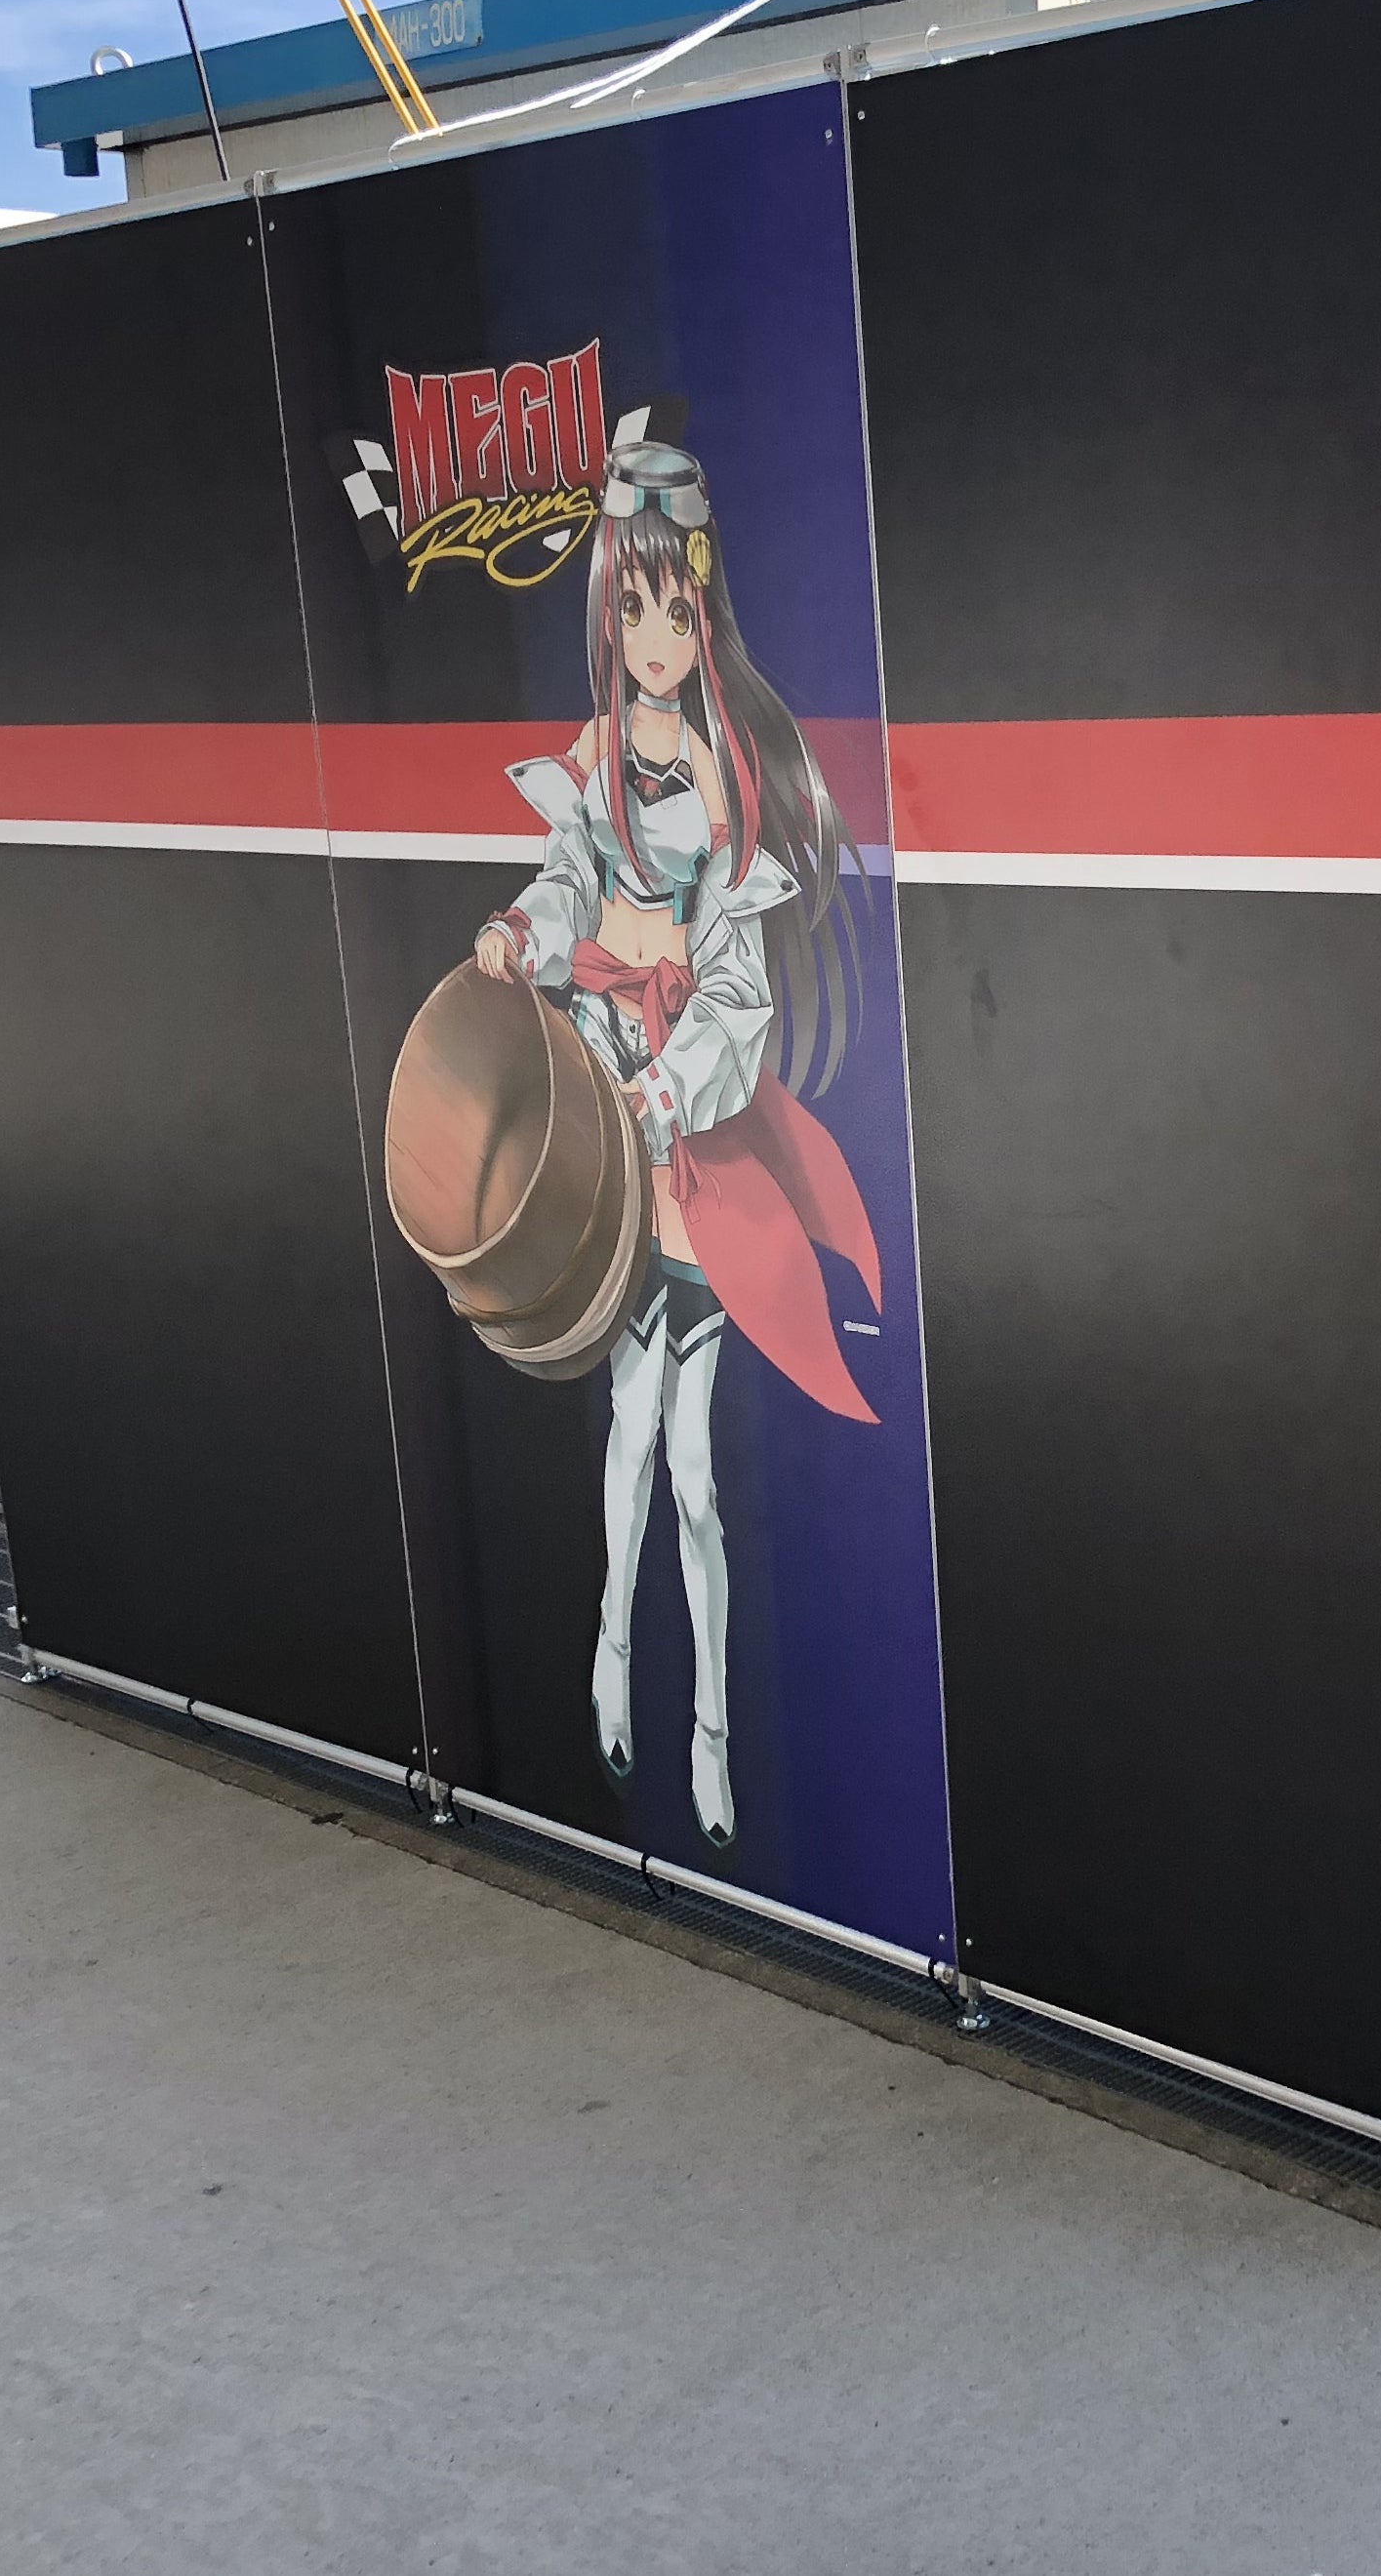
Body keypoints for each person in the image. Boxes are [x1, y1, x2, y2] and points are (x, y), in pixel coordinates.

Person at [473, 433, 879, 1850]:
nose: (656, 637)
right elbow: (561, 887)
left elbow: (737, 987)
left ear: (705, 609)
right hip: (607, 1120)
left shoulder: (728, 781)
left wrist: (672, 1088)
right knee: (624, 1442)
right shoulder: (595, 761)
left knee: (693, 1471)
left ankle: (708, 1726)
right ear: (610, 608)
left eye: (677, 608)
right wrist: (521, 934)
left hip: (685, 1141)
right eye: (633, 607)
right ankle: (609, 1656)